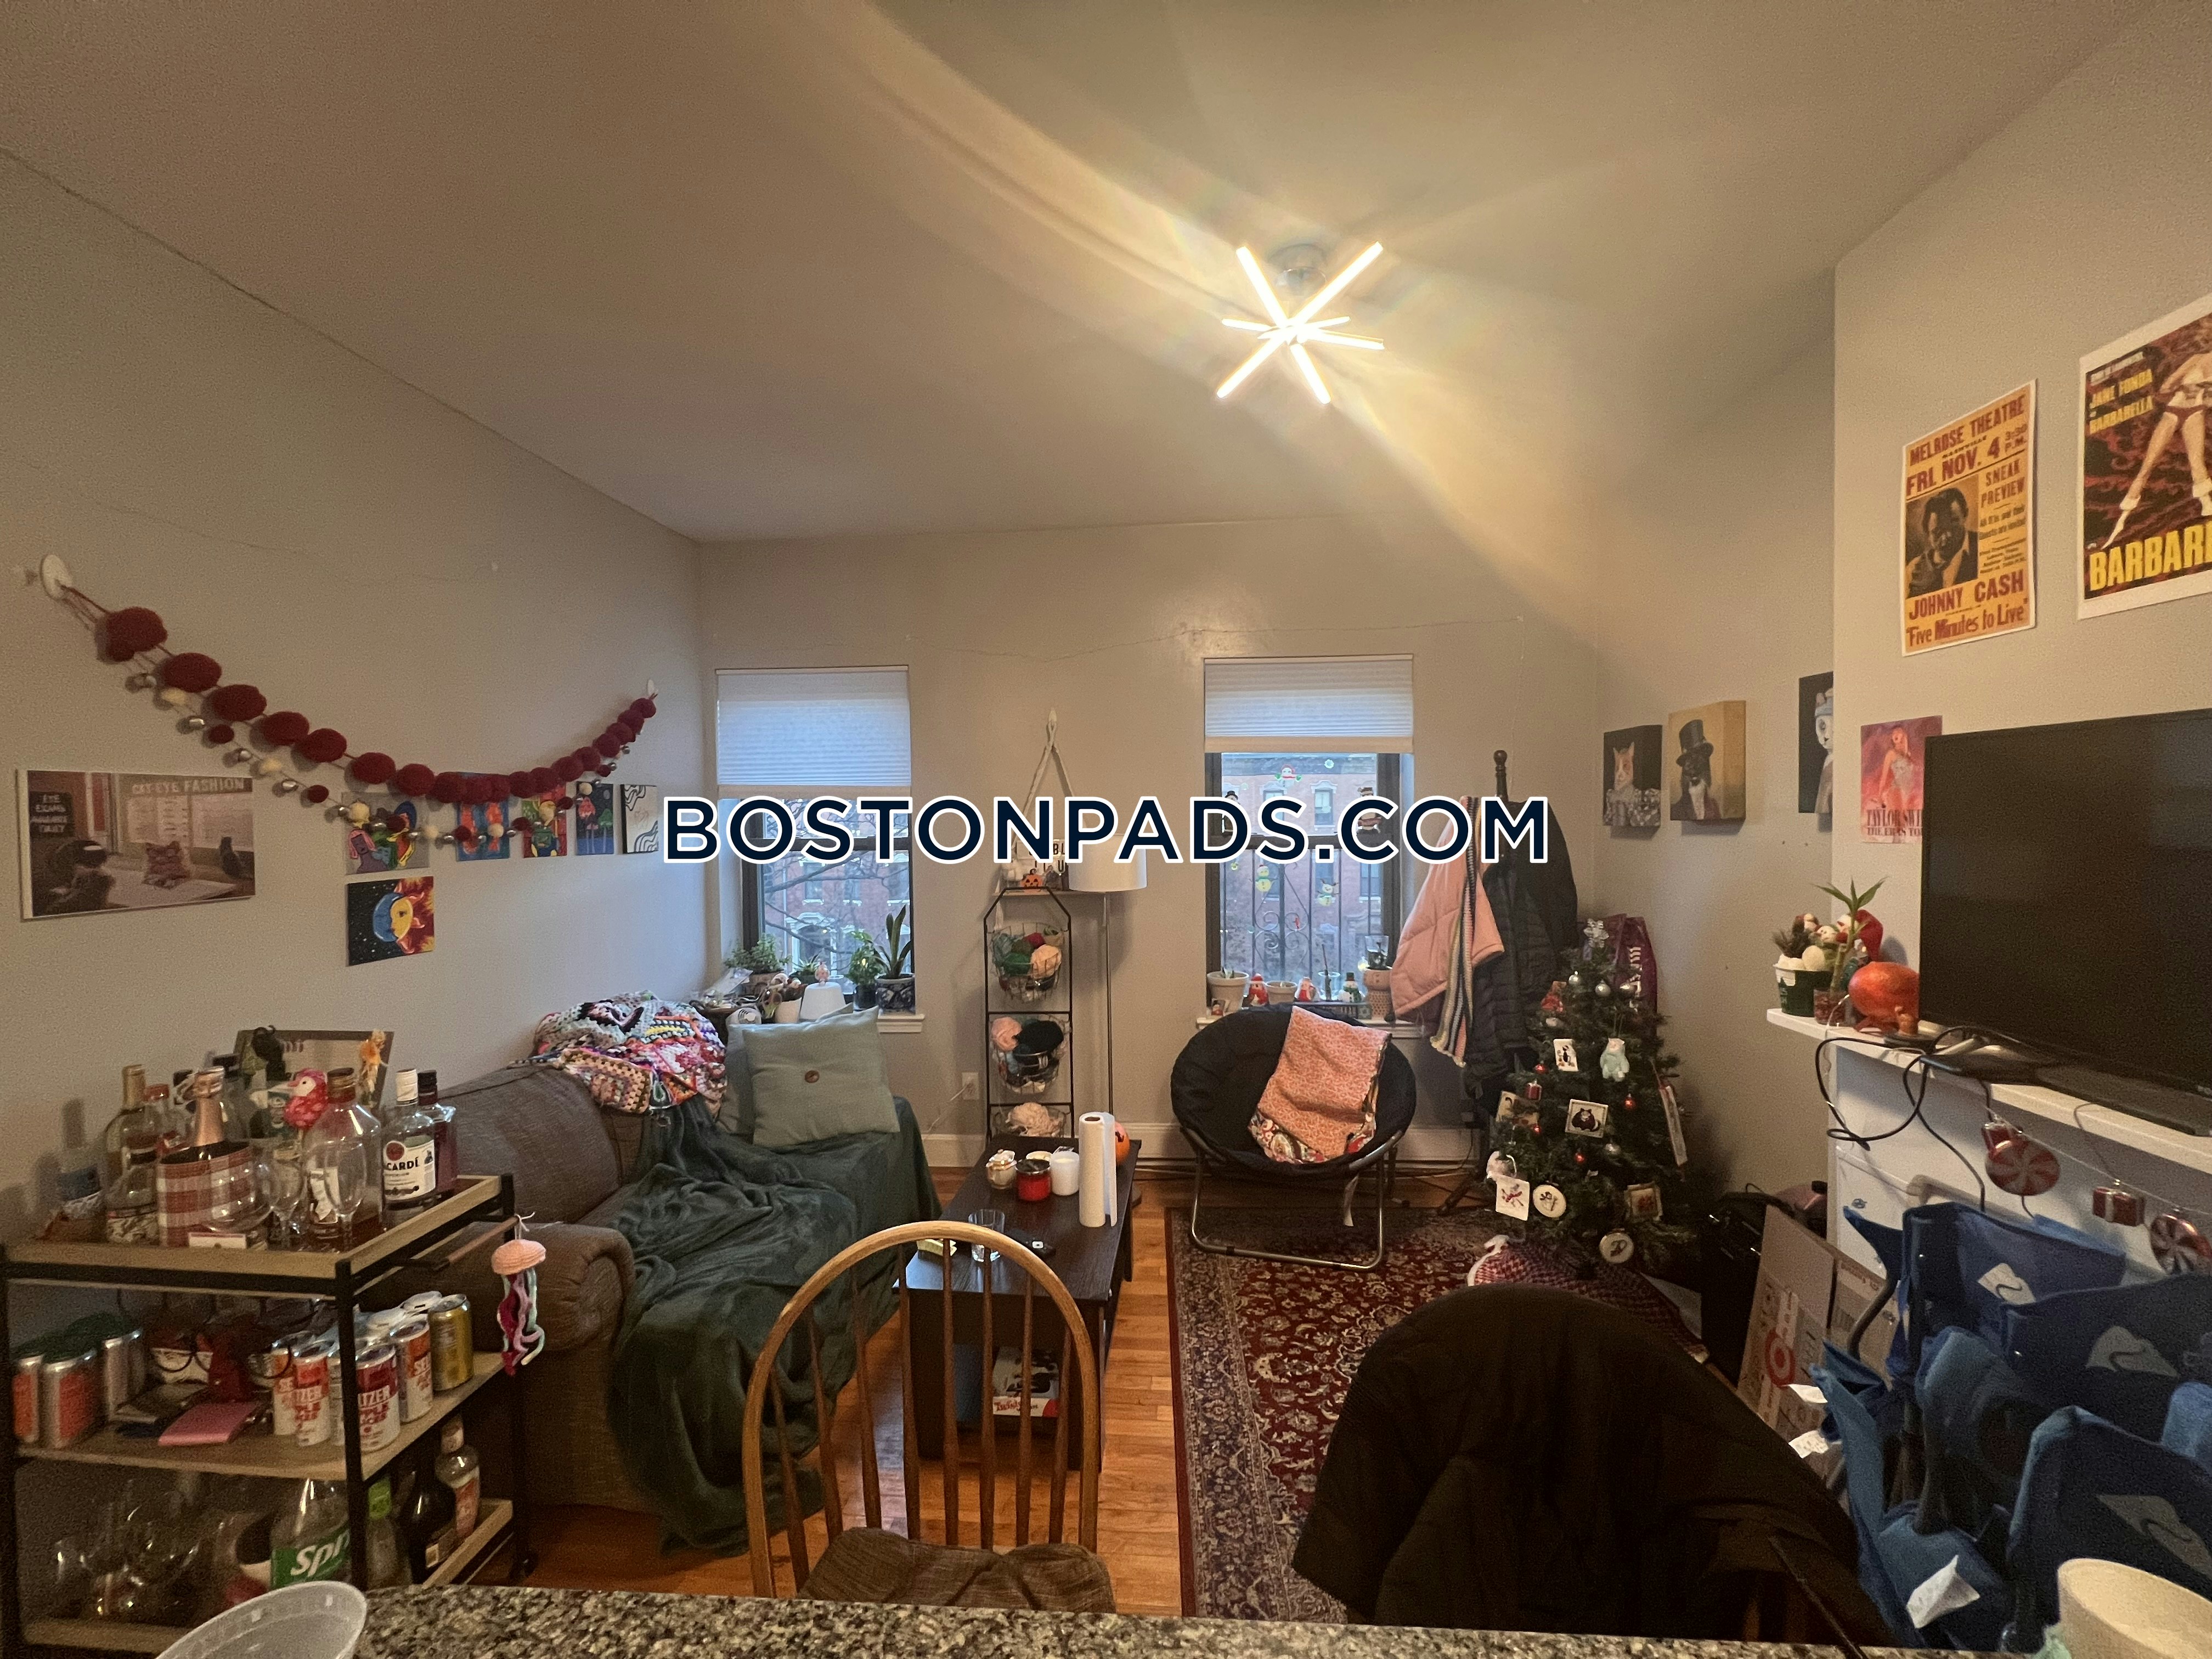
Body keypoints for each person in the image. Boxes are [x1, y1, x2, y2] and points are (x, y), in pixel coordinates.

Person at [2100, 329, 2212, 550]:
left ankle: (2207, 506)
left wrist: (2205, 394)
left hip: (2196, 412)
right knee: (2147, 467)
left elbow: (2209, 402)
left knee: (2197, 463)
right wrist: (2185, 387)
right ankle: (2120, 524)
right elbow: (2166, 387)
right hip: (2173, 411)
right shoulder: (2196, 360)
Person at [1906, 487, 1978, 596]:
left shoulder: (1983, 545)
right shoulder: (1913, 569)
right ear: (1928, 533)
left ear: (1965, 515)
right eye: (1937, 532)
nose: (1946, 537)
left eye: (1954, 524)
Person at [1673, 719, 1720, 821]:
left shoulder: (1714, 806)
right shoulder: (1676, 810)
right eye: (1689, 762)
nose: (1694, 770)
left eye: (1699, 762)